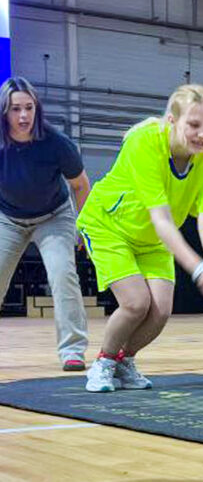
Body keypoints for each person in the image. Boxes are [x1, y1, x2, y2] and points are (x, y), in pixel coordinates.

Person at [77, 84, 203, 392]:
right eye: (194, 125)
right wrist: (199, 268)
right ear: (172, 121)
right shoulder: (145, 142)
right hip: (110, 226)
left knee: (160, 310)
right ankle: (103, 362)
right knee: (136, 303)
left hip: (153, 240)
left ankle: (125, 360)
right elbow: (160, 218)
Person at [0, 76, 90, 371]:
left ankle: (73, 350)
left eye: (29, 107)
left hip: (54, 216)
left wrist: (82, 226)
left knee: (63, 274)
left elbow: (80, 185)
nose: (23, 116)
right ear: (4, 112)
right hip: (9, 219)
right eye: (15, 109)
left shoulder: (56, 143)